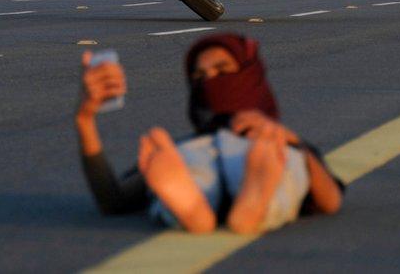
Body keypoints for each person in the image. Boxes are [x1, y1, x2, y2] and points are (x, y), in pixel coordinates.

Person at [76, 34, 343, 234]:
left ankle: (196, 210)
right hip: (208, 157)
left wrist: (291, 141)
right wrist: (84, 118)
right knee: (184, 162)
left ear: (250, 75)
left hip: (258, 152)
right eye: (200, 76)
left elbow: (329, 200)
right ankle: (210, 206)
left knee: (286, 159)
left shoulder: (280, 141)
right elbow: (114, 200)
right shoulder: (187, 148)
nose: (210, 81)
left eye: (222, 70)